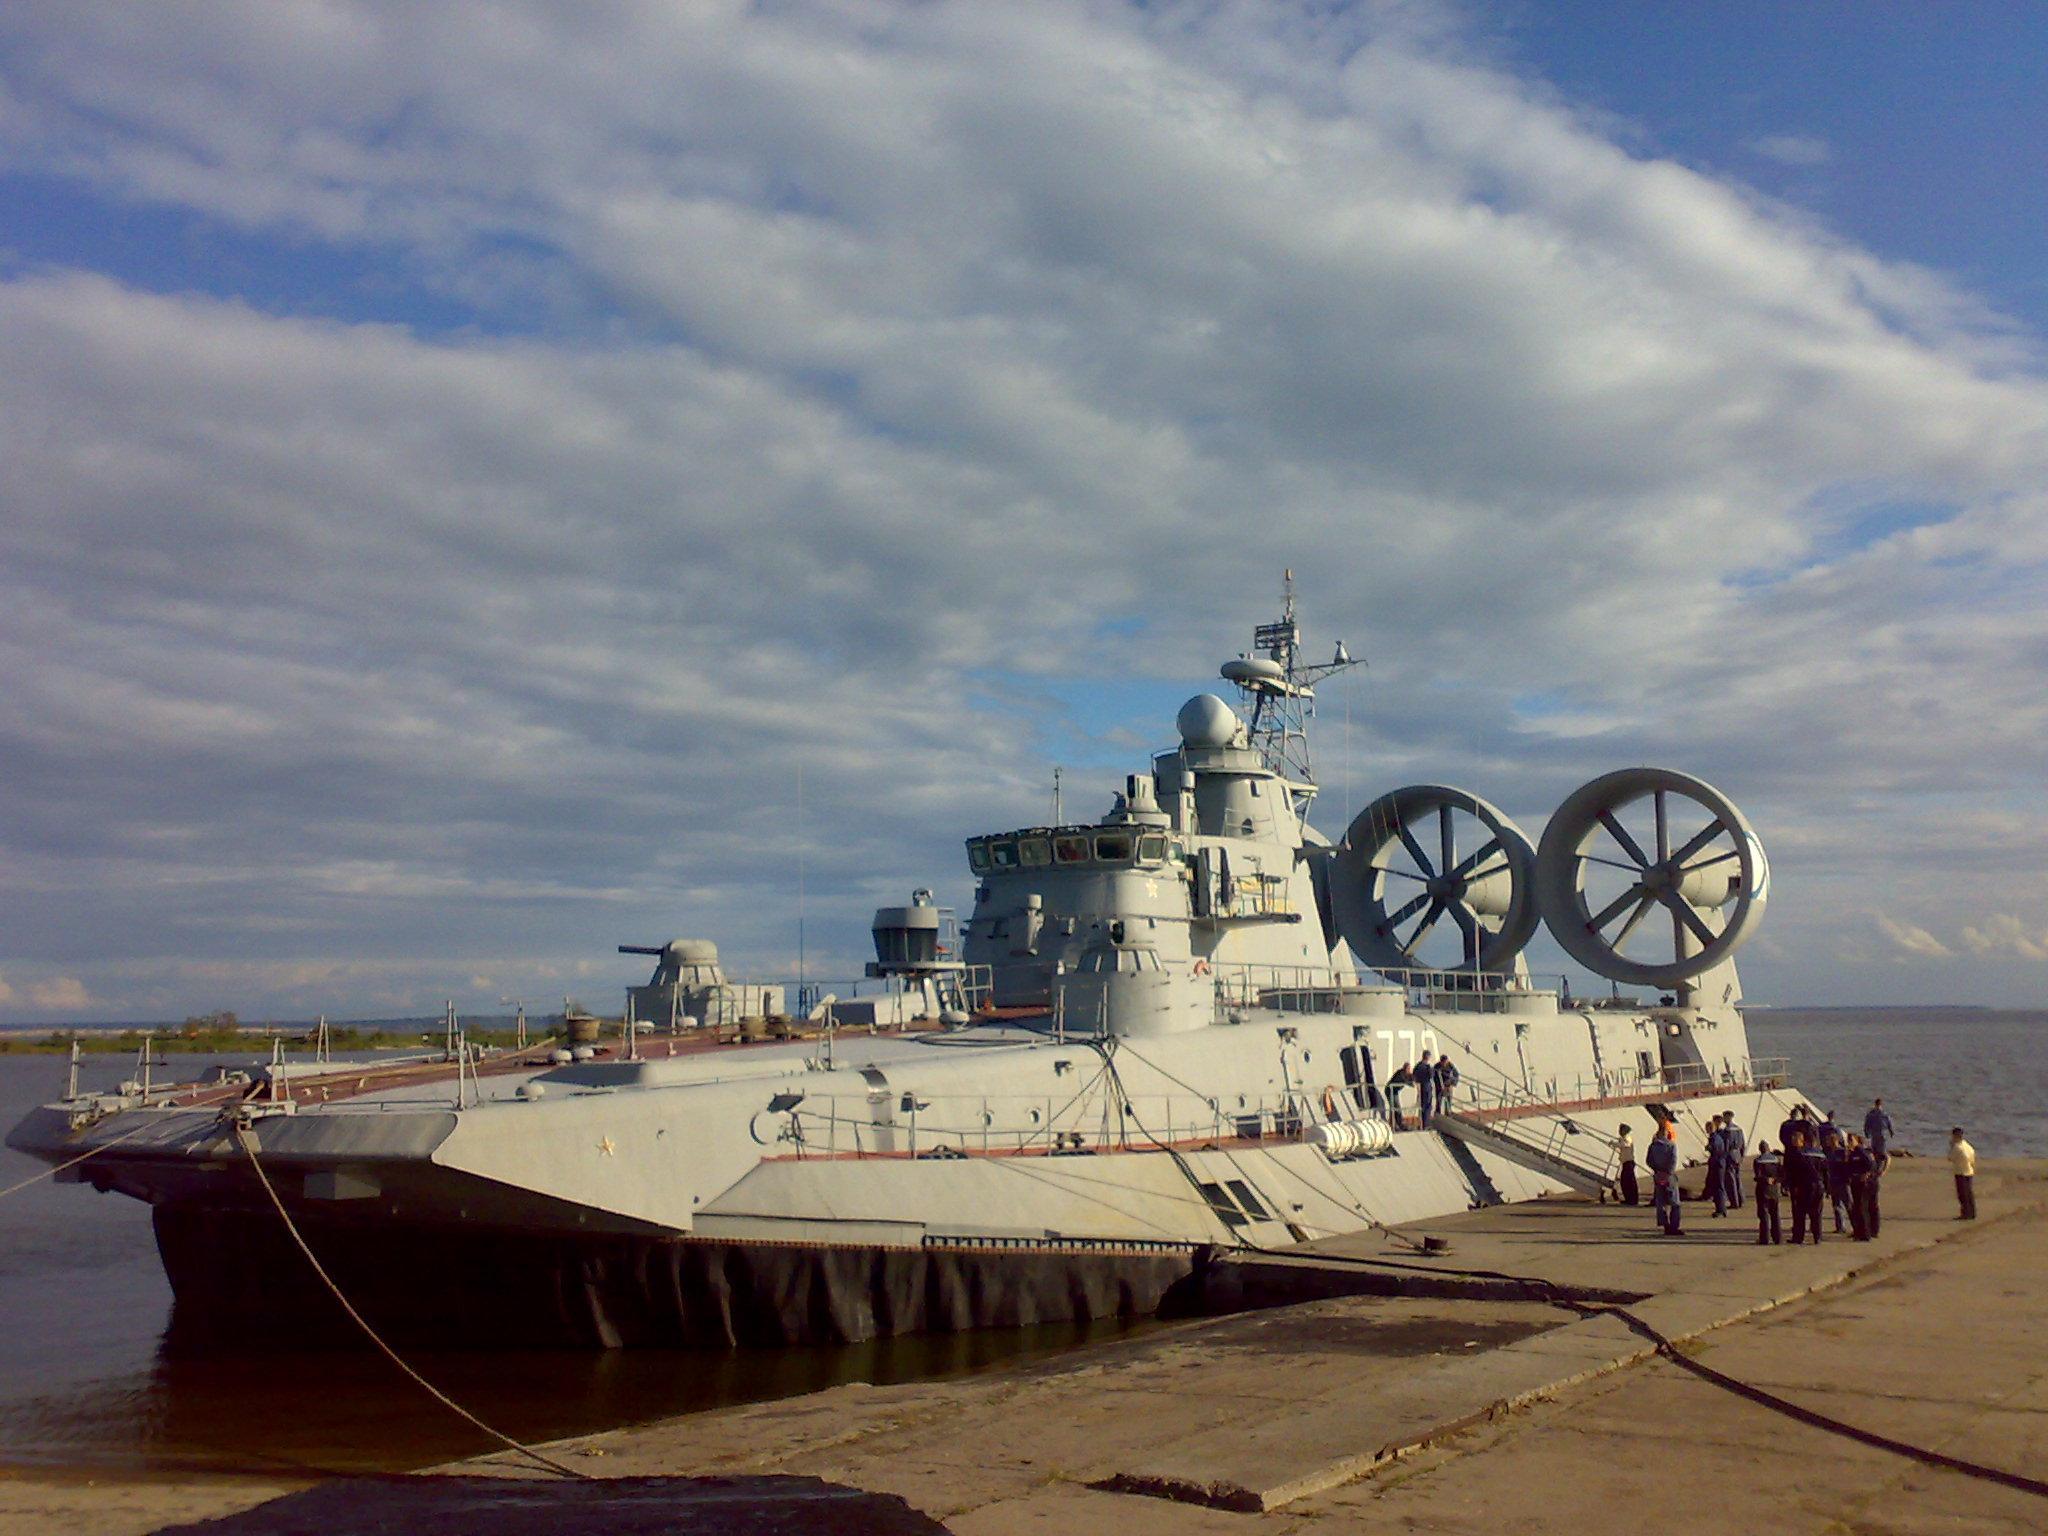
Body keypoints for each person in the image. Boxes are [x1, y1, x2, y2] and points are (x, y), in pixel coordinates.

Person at [1784, 1127, 1825, 1245]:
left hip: (1805, 1186)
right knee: (1816, 1213)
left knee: (1800, 1212)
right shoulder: (1821, 1154)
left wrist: (1792, 1186)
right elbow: (1826, 1171)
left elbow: (1797, 1172)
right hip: (1819, 1185)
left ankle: (1799, 1237)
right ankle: (1817, 1237)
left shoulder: (1800, 1154)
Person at [1647, 1120, 1683, 1235]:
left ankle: (1665, 1224)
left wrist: (1657, 1170)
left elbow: (1648, 1161)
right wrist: (1668, 1172)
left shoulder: (1653, 1146)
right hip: (1669, 1176)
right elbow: (1673, 1160)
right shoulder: (1671, 1145)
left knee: (1661, 1201)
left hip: (1658, 1176)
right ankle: (1674, 1226)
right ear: (1667, 1133)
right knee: (1675, 1202)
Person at [1844, 1134, 1876, 1240]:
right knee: (1856, 1208)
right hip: (1854, 1182)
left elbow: (1870, 1164)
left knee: (1862, 1207)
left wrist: (1866, 1174)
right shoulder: (1852, 1153)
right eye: (1848, 1140)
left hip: (1862, 1183)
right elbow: (1848, 1167)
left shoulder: (1861, 1151)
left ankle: (1865, 1234)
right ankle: (1858, 1232)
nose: (1849, 1142)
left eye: (1851, 1140)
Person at [1752, 1139, 1783, 1245]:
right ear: (1769, 1148)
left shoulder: (1758, 1161)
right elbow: (1781, 1174)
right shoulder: (1776, 1160)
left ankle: (1764, 1239)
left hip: (1762, 1189)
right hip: (1774, 1189)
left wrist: (1765, 1179)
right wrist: (1775, 1180)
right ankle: (1777, 1238)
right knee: (1775, 1214)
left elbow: (1758, 1176)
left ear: (1760, 1149)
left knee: (1763, 1215)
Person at [1823, 1128, 1851, 1234]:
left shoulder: (1842, 1152)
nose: (1828, 1143)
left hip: (1843, 1182)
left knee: (1849, 1205)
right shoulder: (1829, 1154)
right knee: (1836, 1205)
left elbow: (1848, 1166)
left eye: (1830, 1141)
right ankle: (1840, 1227)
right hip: (1833, 1182)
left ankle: (1857, 1225)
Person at [1705, 1116, 1729, 1218]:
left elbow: (1715, 1149)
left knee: (1718, 1187)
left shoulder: (1714, 1138)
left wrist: (1709, 1148)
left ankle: (1721, 1209)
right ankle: (1721, 1208)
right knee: (1719, 1186)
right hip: (1720, 1163)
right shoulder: (1717, 1137)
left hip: (1717, 1164)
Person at [1950, 1127, 1977, 1219]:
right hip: (1969, 1171)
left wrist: (1951, 1147)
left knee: (1962, 1194)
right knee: (1969, 1193)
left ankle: (1965, 1213)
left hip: (1960, 1172)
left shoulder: (1957, 1147)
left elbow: (1951, 1157)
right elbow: (1972, 1158)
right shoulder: (1968, 1146)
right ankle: (1972, 1212)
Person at [1722, 1113, 1747, 1209]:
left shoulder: (1727, 1131)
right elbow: (1743, 1144)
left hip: (1729, 1155)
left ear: (1728, 1118)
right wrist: (1742, 1156)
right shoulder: (1739, 1129)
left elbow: (1726, 1145)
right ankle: (1741, 1199)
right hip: (1737, 1155)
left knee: (1730, 1180)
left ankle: (1734, 1202)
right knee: (1738, 1178)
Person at [1863, 1098, 1894, 1171]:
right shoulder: (1882, 1114)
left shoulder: (1873, 1114)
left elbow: (1866, 1125)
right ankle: (1878, 1167)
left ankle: (1878, 1167)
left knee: (1878, 1152)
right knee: (1877, 1151)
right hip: (1878, 1135)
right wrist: (1891, 1132)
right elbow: (1889, 1124)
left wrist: (1866, 1133)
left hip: (1878, 1135)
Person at [1616, 1123, 1639, 1206]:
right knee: (1625, 1181)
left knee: (1629, 1182)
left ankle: (1632, 1199)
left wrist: (1615, 1144)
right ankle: (1629, 1198)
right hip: (1626, 1163)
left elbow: (1625, 1145)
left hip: (1629, 1162)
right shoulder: (1623, 1139)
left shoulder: (1627, 1138)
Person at [1386, 1063, 1412, 1129]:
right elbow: (1403, 1080)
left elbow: (1411, 1081)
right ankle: (1395, 1124)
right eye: (1408, 1068)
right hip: (1390, 1091)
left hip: (1394, 1092)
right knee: (1394, 1107)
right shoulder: (1400, 1074)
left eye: (1409, 1069)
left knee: (1396, 1107)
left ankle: (1397, 1124)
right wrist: (1409, 1082)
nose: (1409, 1070)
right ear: (1405, 1068)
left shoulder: (1406, 1075)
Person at [1415, 1051, 1437, 1128]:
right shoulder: (1427, 1067)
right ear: (1428, 1057)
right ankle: (1426, 1124)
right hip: (1426, 1087)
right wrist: (1430, 1068)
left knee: (1423, 1106)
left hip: (1421, 1087)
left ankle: (1423, 1123)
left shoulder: (1418, 1065)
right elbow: (1431, 1075)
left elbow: (1415, 1075)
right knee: (1427, 1106)